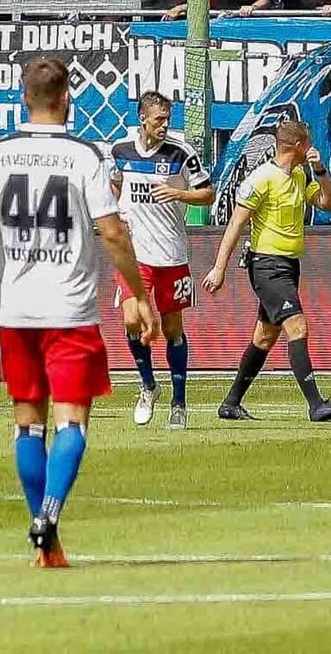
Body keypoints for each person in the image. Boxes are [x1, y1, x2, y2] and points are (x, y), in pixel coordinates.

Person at [0, 58, 156, 568]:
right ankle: (48, 514)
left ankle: (46, 545)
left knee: (27, 425)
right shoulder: (84, 156)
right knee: (73, 422)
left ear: (23, 99)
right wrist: (139, 294)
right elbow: (113, 233)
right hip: (70, 310)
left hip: (16, 310)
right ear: (67, 99)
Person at [203, 117, 331, 424]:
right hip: (267, 266)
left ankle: (230, 403)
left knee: (265, 337)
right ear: (298, 146)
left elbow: (327, 203)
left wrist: (320, 171)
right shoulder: (262, 178)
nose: (311, 148)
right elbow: (236, 224)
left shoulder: (299, 175)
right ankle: (316, 405)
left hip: (288, 266)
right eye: (308, 143)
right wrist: (219, 268)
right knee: (297, 327)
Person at [109, 92, 215, 430]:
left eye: (168, 119)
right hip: (135, 254)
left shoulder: (181, 152)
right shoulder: (120, 150)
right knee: (130, 321)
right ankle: (148, 385)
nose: (165, 125)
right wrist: (115, 209)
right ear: (143, 118)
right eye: (159, 119)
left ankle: (179, 402)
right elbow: (113, 185)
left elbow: (207, 192)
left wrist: (179, 193)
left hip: (171, 254)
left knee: (172, 330)